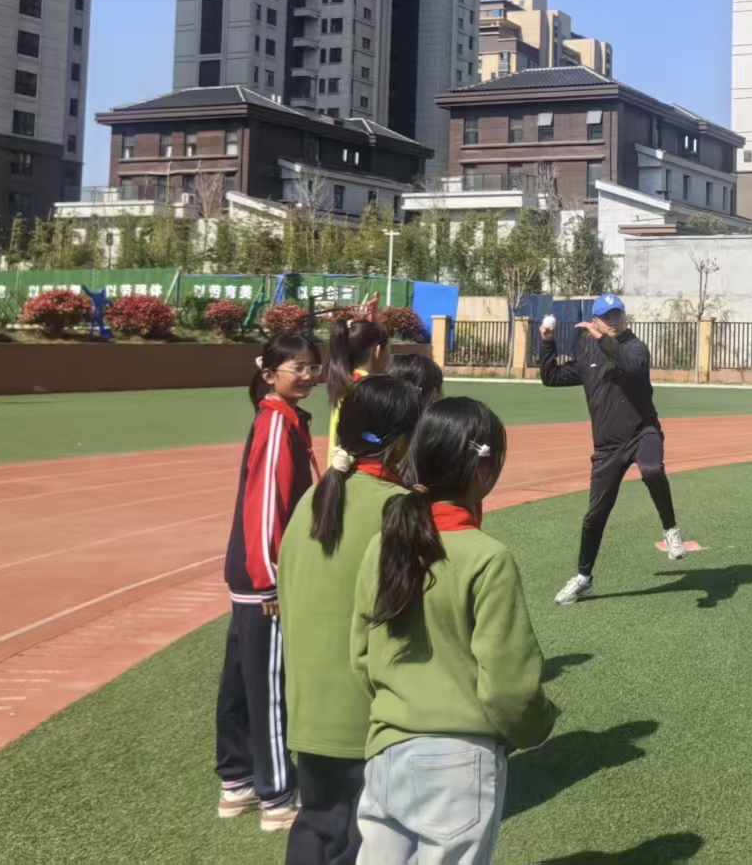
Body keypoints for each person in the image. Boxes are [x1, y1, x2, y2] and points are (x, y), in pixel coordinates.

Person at [351, 398, 558, 864]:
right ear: (483, 469)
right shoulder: (487, 557)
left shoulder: (381, 546)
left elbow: (361, 657)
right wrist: (538, 723)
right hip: (460, 761)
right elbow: (509, 687)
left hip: (387, 752)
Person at [278, 376, 424, 865]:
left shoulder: (314, 499)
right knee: (362, 843)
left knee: (318, 829)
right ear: (401, 444)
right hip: (369, 717)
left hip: (308, 709)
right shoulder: (398, 511)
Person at [218, 332, 322, 833]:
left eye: (312, 367)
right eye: (296, 367)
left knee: (242, 677)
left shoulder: (283, 419)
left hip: (251, 571)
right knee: (269, 685)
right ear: (269, 374)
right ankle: (277, 795)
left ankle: (236, 778)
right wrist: (271, 583)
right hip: (263, 576)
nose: (306, 375)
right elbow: (265, 507)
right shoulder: (277, 424)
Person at [540, 295, 687, 605]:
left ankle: (670, 529)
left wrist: (602, 341)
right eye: (606, 316)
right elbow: (551, 377)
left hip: (642, 431)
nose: (613, 320)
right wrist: (548, 343)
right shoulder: (586, 350)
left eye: (617, 314)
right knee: (595, 515)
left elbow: (632, 367)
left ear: (624, 317)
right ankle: (584, 579)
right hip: (607, 446)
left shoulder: (635, 347)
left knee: (652, 469)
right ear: (595, 320)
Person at [325, 316, 390, 468]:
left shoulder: (346, 382)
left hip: (338, 471)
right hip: (360, 473)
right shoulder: (371, 389)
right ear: (377, 351)